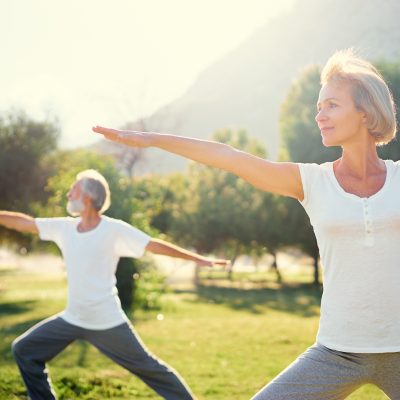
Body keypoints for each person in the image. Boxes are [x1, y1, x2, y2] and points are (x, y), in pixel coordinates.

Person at [93, 49, 400, 399]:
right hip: (337, 351)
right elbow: (230, 158)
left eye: (331, 105)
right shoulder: (312, 182)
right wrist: (151, 139)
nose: (319, 116)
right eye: (318, 107)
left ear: (365, 111)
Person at [0, 169, 229, 400]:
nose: (68, 195)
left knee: (151, 369)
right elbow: (24, 223)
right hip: (72, 318)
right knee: (25, 350)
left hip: (106, 321)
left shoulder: (113, 230)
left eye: (74, 190)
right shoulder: (65, 228)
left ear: (87, 198)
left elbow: (153, 245)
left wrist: (198, 259)